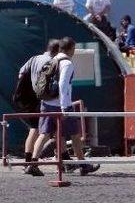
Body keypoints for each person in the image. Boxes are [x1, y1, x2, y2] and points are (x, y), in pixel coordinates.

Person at [25, 37, 100, 177]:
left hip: (46, 103)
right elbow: (63, 85)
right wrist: (65, 107)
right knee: (75, 134)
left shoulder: (51, 61)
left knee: (44, 134)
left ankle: (33, 164)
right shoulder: (66, 63)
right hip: (61, 105)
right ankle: (83, 165)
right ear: (71, 48)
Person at [17, 39, 60, 163]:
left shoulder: (34, 58)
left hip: (30, 98)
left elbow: (21, 73)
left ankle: (28, 159)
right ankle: (31, 161)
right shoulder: (52, 62)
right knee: (39, 130)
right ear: (57, 50)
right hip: (43, 99)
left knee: (34, 128)